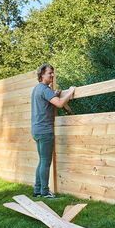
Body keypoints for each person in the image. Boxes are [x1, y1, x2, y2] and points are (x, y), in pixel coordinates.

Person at [31, 63, 75, 198]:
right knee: (45, 161)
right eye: (50, 73)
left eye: (52, 73)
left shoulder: (37, 89)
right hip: (45, 131)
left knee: (41, 160)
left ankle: (37, 190)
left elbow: (48, 103)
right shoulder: (45, 89)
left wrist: (54, 94)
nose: (52, 75)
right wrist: (71, 91)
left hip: (37, 130)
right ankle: (45, 192)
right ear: (42, 74)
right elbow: (60, 104)